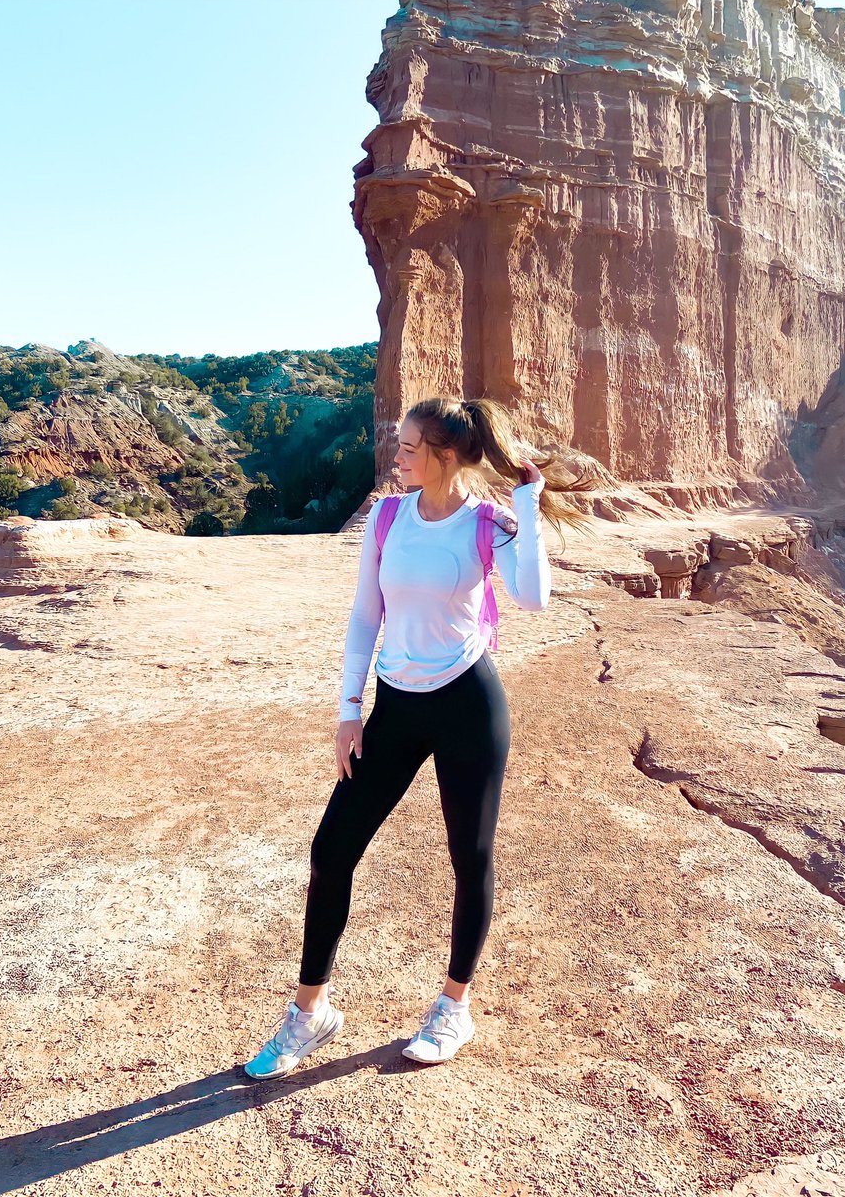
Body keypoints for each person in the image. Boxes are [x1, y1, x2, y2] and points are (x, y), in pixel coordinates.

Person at [244, 395, 597, 1078]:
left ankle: (452, 1008)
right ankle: (308, 1015)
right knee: (331, 850)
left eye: (408, 447)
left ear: (442, 457)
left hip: (468, 702)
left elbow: (532, 597)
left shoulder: (486, 523)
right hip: (395, 707)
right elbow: (363, 616)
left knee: (470, 855)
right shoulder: (387, 517)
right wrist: (350, 710)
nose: (396, 456)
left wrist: (527, 501)